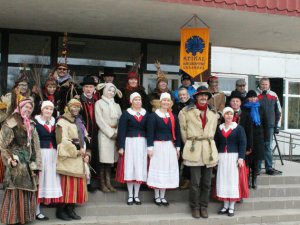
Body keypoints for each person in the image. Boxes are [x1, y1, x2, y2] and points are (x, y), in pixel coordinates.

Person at [178, 86, 219, 219]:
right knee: (195, 183)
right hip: (194, 148)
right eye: (200, 95)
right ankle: (195, 207)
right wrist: (190, 144)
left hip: (209, 149)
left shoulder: (213, 112)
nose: (203, 98)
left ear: (208, 97)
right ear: (195, 97)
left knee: (207, 182)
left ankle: (204, 206)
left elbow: (213, 130)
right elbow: (183, 131)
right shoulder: (186, 111)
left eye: (205, 95)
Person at [0, 98, 42, 225]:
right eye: (26, 107)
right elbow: (3, 145)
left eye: (30, 108)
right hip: (16, 162)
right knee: (15, 189)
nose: (28, 109)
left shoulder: (31, 124)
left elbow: (35, 146)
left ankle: (23, 218)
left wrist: (36, 164)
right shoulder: (11, 122)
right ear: (20, 107)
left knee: (26, 190)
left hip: (28, 163)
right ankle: (12, 218)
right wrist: (10, 159)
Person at [55, 99, 90, 221]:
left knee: (76, 187)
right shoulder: (62, 121)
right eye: (73, 107)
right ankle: (61, 210)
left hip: (80, 158)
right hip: (68, 158)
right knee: (67, 186)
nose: (76, 109)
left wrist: (87, 153)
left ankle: (71, 209)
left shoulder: (79, 121)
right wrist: (76, 151)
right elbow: (62, 141)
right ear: (68, 107)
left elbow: (85, 138)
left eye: (78, 107)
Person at [147, 92, 180, 206]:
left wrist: (178, 148)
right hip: (158, 146)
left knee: (166, 169)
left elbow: (177, 133)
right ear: (160, 102)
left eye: (168, 100)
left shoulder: (173, 117)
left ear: (170, 103)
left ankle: (163, 196)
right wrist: (150, 148)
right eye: (164, 100)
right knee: (158, 169)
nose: (166, 102)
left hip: (169, 146)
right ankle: (157, 196)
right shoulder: (153, 116)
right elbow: (150, 133)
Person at [116, 92, 149, 205]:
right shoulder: (126, 114)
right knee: (130, 167)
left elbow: (149, 131)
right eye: (135, 99)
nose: (138, 101)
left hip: (142, 143)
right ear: (131, 101)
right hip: (129, 143)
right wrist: (121, 146)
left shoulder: (146, 114)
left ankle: (136, 195)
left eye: (139, 99)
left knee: (139, 167)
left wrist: (150, 146)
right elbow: (121, 131)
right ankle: (130, 195)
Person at [215, 107, 247, 217]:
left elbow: (242, 144)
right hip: (222, 157)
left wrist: (241, 158)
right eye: (227, 114)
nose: (229, 116)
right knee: (223, 179)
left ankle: (231, 207)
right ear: (223, 116)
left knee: (232, 181)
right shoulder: (219, 128)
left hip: (234, 157)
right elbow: (216, 143)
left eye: (231, 114)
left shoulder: (238, 128)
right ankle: (225, 206)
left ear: (233, 116)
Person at [35, 101, 62, 220]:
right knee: (40, 180)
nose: (48, 111)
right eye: (46, 109)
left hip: (53, 154)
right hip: (41, 153)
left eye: (51, 109)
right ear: (42, 110)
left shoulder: (55, 121)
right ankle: (36, 210)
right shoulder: (35, 122)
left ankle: (50, 201)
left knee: (51, 179)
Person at [95, 83, 122, 193]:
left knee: (110, 161)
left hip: (115, 134)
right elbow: (99, 120)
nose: (110, 93)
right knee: (103, 160)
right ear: (104, 90)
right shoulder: (99, 103)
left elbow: (120, 120)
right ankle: (102, 184)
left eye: (113, 91)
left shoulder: (116, 105)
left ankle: (108, 182)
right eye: (109, 90)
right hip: (104, 134)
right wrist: (111, 133)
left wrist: (117, 132)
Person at [243, 90, 269, 189]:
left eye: (254, 97)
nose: (253, 99)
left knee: (256, 160)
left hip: (259, 137)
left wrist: (266, 137)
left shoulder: (261, 108)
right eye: (251, 97)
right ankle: (248, 179)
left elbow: (266, 123)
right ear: (247, 98)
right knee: (248, 160)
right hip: (248, 137)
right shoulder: (244, 109)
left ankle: (254, 179)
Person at [256, 78, 281, 175]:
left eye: (266, 84)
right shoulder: (255, 94)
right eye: (262, 84)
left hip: (270, 126)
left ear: (269, 85)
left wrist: (277, 126)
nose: (264, 86)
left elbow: (278, 111)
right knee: (258, 146)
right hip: (258, 125)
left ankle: (269, 167)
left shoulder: (274, 95)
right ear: (260, 84)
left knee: (268, 147)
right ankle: (257, 168)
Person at [79, 76, 100, 192]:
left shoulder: (97, 101)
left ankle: (89, 182)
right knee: (84, 157)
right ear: (83, 88)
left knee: (92, 157)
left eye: (91, 87)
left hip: (95, 133)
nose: (88, 89)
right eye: (86, 87)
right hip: (83, 133)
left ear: (94, 89)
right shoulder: (78, 101)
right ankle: (83, 183)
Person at [173, 87, 193, 190]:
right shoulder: (176, 106)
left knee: (188, 158)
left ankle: (187, 180)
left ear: (188, 95)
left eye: (184, 95)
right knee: (177, 158)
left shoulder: (193, 106)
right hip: (178, 134)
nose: (182, 97)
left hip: (190, 135)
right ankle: (175, 180)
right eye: (180, 95)